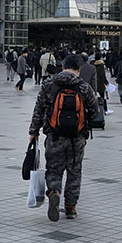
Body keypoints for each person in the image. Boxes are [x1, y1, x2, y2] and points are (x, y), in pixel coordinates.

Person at [28, 54, 99, 221]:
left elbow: (39, 109)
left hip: (54, 135)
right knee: (74, 171)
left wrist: (34, 132)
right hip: (77, 138)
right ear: (79, 69)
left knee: (54, 169)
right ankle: (70, 208)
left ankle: (54, 192)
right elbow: (95, 111)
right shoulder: (83, 87)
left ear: (62, 66)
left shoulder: (49, 84)